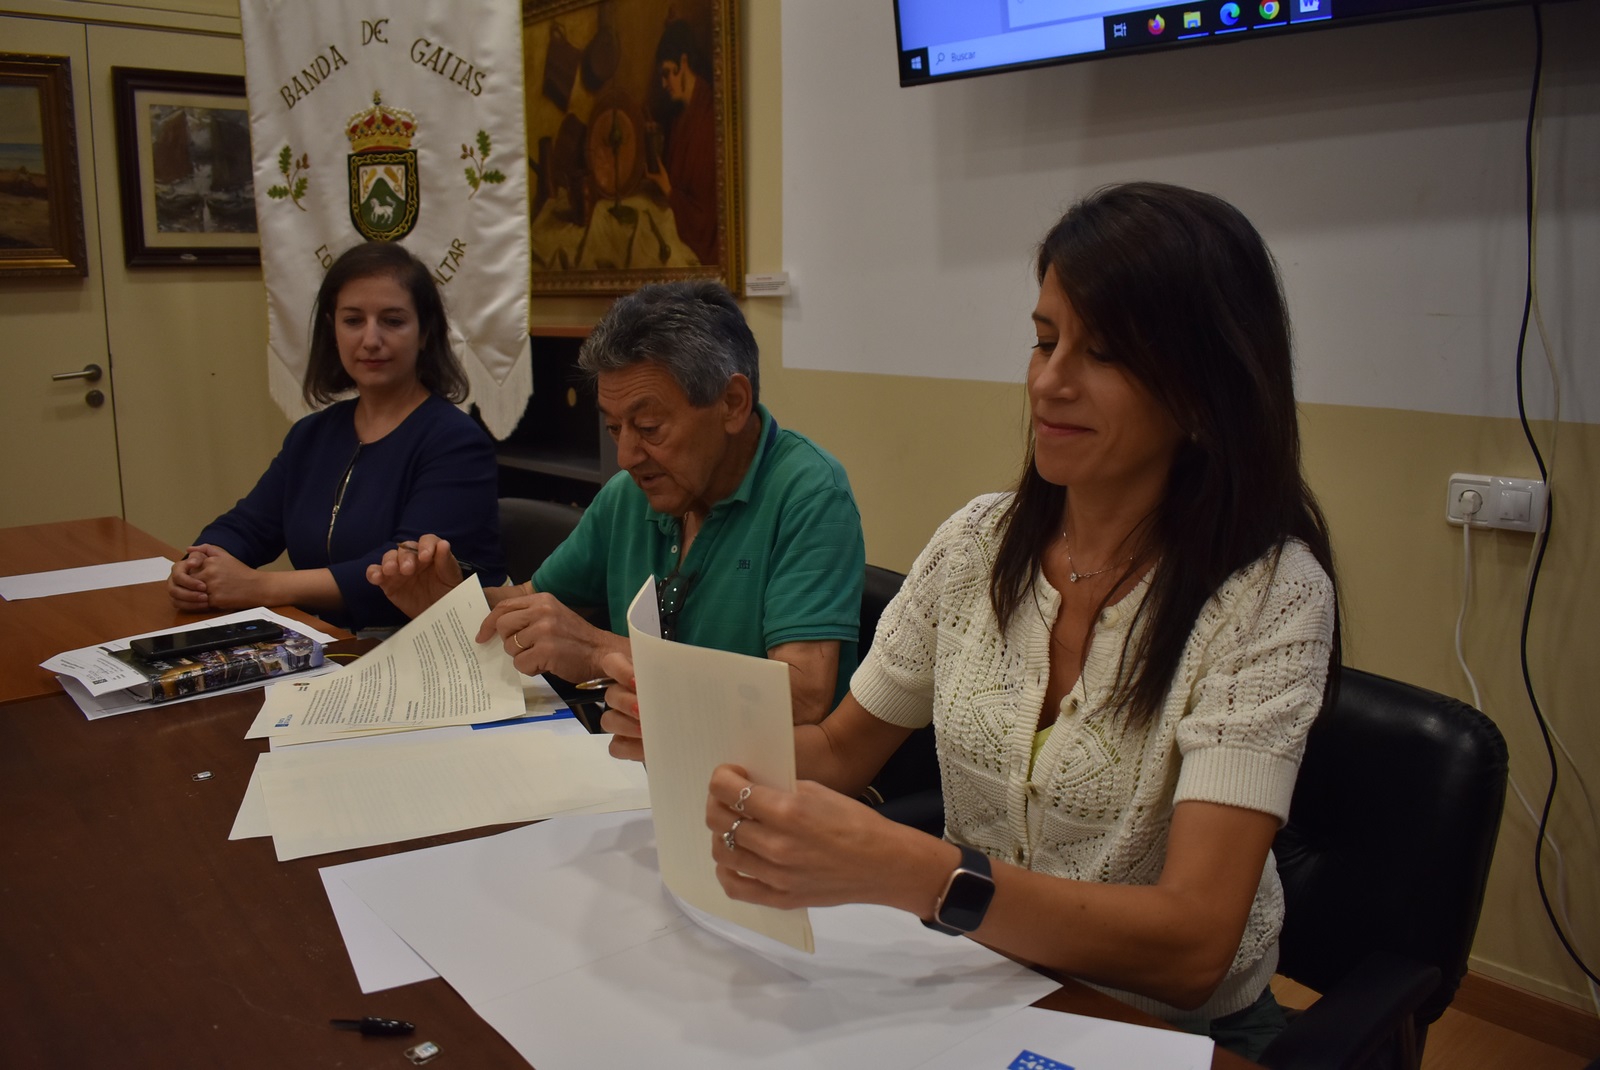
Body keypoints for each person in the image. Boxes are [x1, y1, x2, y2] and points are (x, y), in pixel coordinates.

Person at [601, 183, 1340, 1060]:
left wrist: (917, 872)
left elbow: (1192, 949)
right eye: (1045, 340)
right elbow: (840, 750)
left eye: (1103, 353)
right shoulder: (978, 545)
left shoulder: (1269, 594)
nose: (1049, 382)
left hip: (1167, 1030)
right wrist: (688, 731)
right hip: (983, 982)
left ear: (1203, 388)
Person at [369, 279, 865, 725]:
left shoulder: (810, 494)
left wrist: (599, 651)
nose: (626, 457)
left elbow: (801, 698)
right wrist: (449, 603)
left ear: (732, 403)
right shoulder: (630, 495)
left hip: (759, 781)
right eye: (613, 427)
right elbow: (528, 602)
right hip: (638, 754)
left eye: (648, 427)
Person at [167, 241, 505, 631]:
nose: (371, 339)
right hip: (327, 640)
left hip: (427, 645)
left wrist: (260, 587)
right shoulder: (311, 435)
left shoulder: (457, 442)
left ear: (425, 332)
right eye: (353, 320)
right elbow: (249, 525)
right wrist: (198, 566)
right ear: (333, 330)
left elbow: (402, 571)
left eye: (393, 321)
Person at [645, 18, 717, 266]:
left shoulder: (708, 117)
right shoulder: (680, 113)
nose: (663, 84)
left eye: (667, 73)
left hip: (697, 244)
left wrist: (667, 190)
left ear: (683, 63)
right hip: (675, 220)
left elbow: (704, 218)